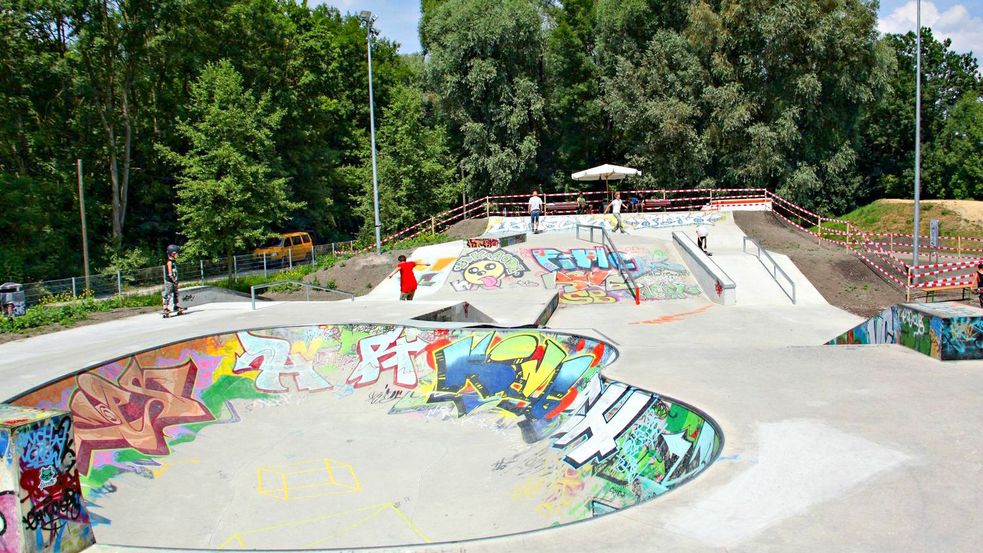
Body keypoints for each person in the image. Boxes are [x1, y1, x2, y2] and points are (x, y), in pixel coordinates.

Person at [162, 244, 185, 317]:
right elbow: (169, 273)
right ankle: (165, 307)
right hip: (169, 281)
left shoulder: (174, 261)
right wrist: (173, 280)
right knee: (168, 294)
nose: (178, 255)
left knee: (176, 294)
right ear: (173, 253)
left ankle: (176, 306)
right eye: (177, 254)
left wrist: (176, 280)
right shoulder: (169, 262)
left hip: (175, 280)